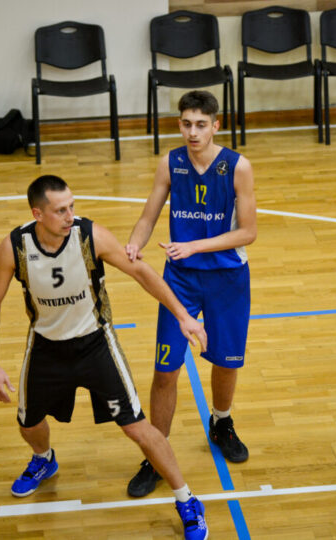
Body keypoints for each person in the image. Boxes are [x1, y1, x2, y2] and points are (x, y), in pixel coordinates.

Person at [0, 175, 209, 540]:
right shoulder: (14, 247)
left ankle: (187, 500)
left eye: (71, 206)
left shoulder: (91, 237)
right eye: (60, 210)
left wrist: (183, 316)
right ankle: (44, 459)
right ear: (37, 214)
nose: (70, 215)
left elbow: (140, 272)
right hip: (46, 346)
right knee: (28, 423)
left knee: (137, 427)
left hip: (96, 344)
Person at [125, 90, 257, 497]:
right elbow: (148, 216)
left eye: (201, 124)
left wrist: (195, 246)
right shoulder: (170, 163)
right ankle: (155, 453)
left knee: (225, 361)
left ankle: (221, 422)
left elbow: (248, 232)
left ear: (216, 125)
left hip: (227, 279)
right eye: (186, 124)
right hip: (180, 280)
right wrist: (134, 244)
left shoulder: (238, 167)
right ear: (179, 124)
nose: (193, 132)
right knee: (165, 370)